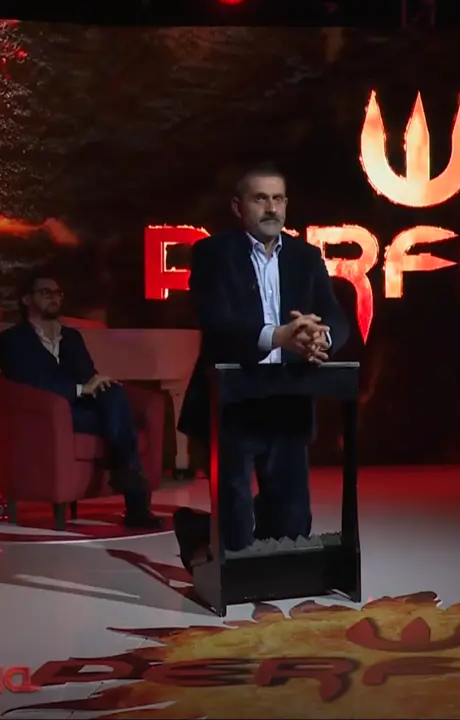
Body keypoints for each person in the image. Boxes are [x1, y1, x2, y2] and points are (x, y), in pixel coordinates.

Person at [174, 162, 350, 565]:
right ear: (238, 207)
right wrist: (277, 336)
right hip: (233, 400)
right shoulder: (212, 254)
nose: (272, 208)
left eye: (278, 199)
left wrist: (320, 338)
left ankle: (202, 528)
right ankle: (204, 535)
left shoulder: (306, 256)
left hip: (287, 398)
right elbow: (216, 322)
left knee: (290, 529)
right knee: (236, 537)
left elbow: (336, 317)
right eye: (260, 199)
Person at [0, 271, 161, 529]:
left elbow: (87, 374)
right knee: (117, 420)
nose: (54, 298)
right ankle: (135, 500)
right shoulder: (11, 340)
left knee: (114, 393)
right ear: (26, 299)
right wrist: (81, 389)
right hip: (47, 414)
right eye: (46, 293)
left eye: (57, 293)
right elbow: (31, 383)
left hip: (82, 409)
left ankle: (127, 478)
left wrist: (98, 383)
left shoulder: (72, 337)